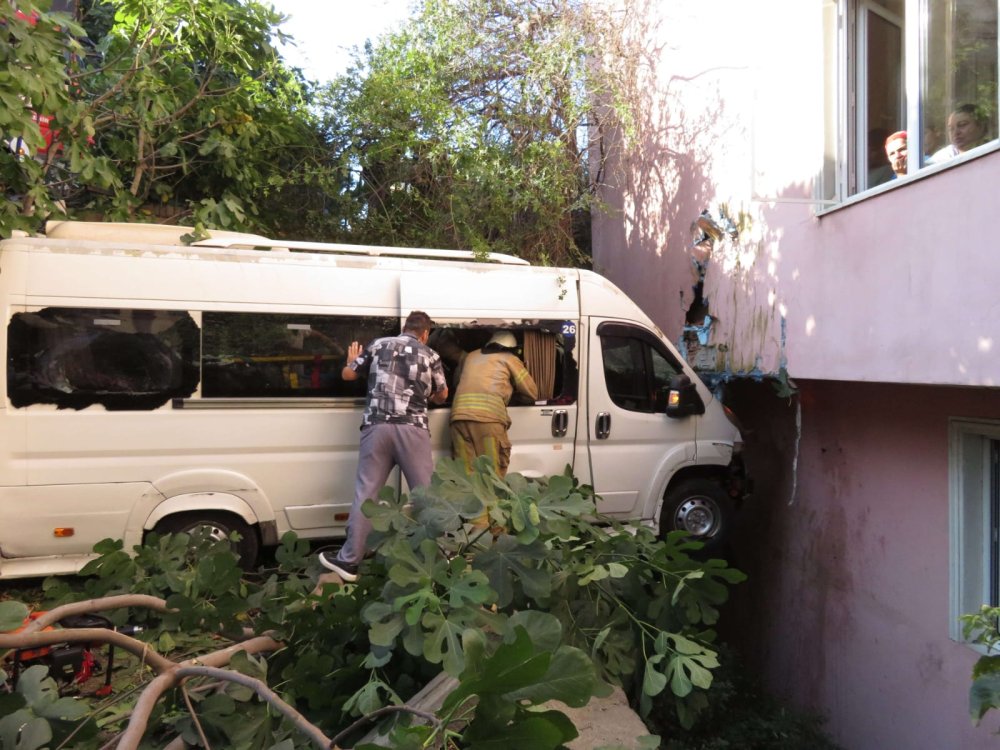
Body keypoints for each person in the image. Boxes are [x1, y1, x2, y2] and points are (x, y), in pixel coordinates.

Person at [319, 310, 448, 581]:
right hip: (413, 429)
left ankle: (349, 561)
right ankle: (439, 557)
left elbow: (347, 376)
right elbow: (442, 394)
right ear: (425, 333)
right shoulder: (431, 355)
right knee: (425, 494)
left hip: (376, 427)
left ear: (404, 327)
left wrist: (351, 361)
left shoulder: (378, 345)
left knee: (366, 493)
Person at [450, 330, 538, 480]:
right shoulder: (509, 359)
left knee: (465, 477)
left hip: (458, 418)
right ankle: (491, 503)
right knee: (491, 475)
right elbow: (532, 392)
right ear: (511, 348)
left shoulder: (471, 356)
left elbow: (456, 383)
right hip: (488, 421)